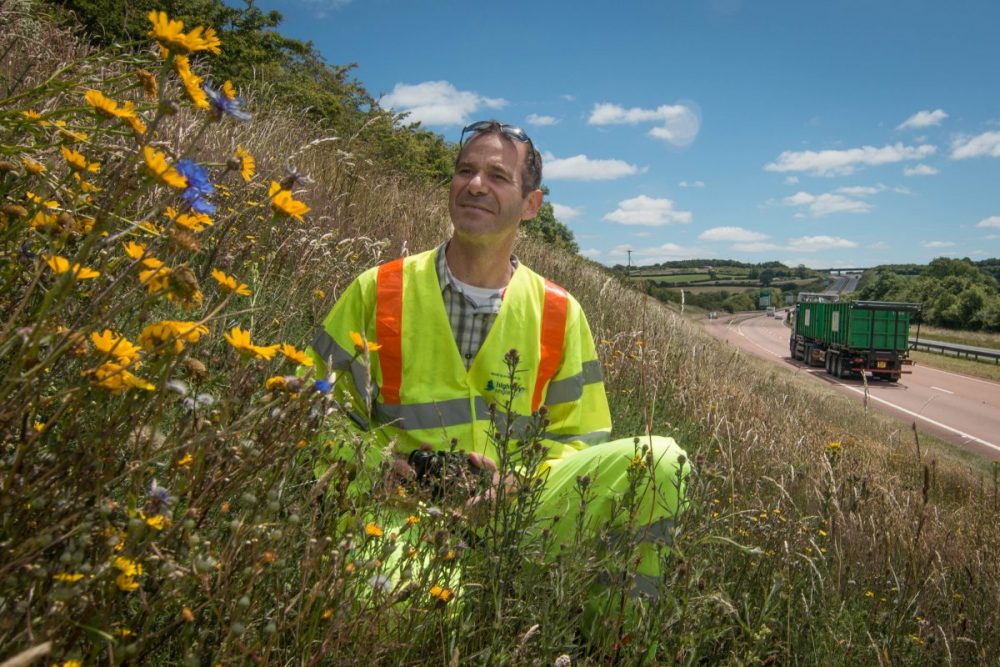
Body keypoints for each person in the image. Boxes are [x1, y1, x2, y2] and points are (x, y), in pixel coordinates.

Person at [305, 119, 687, 618]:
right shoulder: (379, 290)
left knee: (660, 462)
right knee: (406, 603)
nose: (476, 184)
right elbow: (318, 410)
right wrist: (383, 470)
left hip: (521, 509)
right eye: (465, 171)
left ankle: (618, 639)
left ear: (532, 205)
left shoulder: (559, 312)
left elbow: (582, 440)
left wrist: (515, 484)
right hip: (398, 509)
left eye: (497, 176)